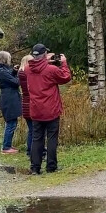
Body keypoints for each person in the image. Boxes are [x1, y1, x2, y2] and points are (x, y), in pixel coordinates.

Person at [25, 44, 72, 175]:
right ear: (45, 54)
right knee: (51, 138)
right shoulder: (50, 70)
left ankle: (35, 167)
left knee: (36, 138)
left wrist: (47, 61)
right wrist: (63, 63)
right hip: (51, 109)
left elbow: (38, 68)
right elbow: (65, 77)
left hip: (35, 109)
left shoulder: (28, 69)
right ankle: (51, 166)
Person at [0, 51, 22, 154]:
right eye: (9, 58)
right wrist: (19, 74)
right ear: (5, 59)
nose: (10, 60)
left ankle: (7, 145)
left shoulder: (0, 70)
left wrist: (14, 72)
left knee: (12, 122)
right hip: (9, 98)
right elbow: (15, 82)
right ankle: (6, 147)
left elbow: (9, 79)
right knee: (11, 123)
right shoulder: (2, 71)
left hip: (8, 96)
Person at [18, 53, 35, 155]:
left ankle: (30, 149)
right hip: (30, 104)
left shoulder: (21, 73)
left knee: (31, 130)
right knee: (34, 130)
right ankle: (31, 150)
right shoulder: (27, 75)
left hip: (25, 103)